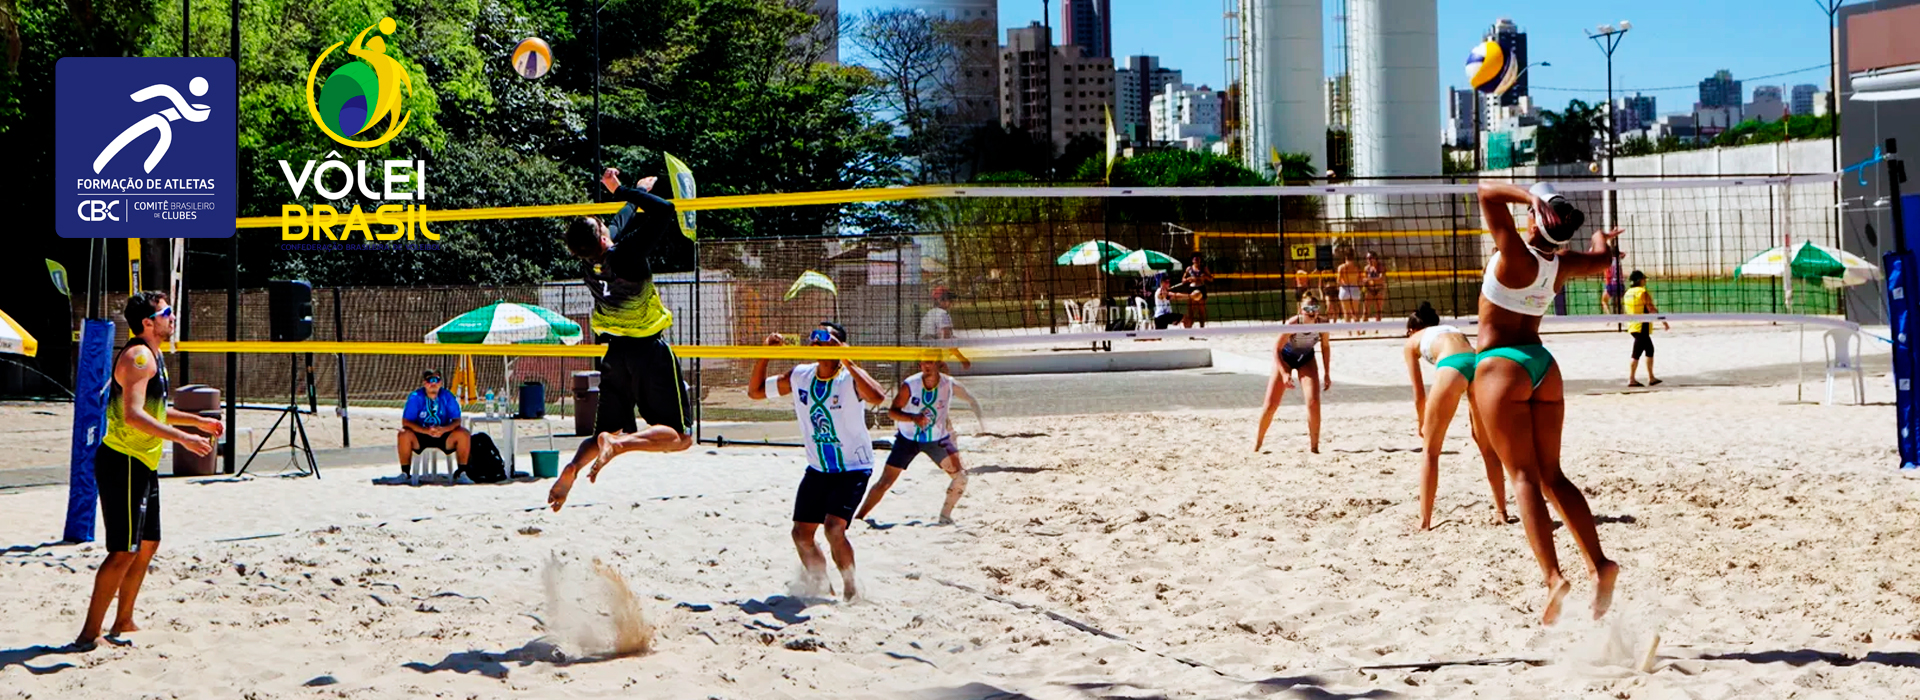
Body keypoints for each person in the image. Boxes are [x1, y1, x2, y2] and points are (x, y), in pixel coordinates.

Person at [1473, 181, 1623, 624]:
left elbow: (1485, 192)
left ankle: (1554, 577)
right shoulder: (1562, 265)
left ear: (1535, 221)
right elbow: (1603, 260)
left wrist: (1529, 195)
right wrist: (1601, 240)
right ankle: (1600, 564)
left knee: (1522, 476)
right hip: (1543, 365)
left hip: (1501, 366)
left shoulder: (1514, 254)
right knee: (1552, 475)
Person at [77, 292, 223, 650]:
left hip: (142, 462)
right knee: (123, 549)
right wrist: (183, 439)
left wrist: (196, 421)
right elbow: (133, 415)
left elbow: (155, 410)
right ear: (148, 322)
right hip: (123, 461)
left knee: (147, 544)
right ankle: (89, 633)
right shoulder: (139, 356)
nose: (173, 318)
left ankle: (123, 619)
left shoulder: (155, 355)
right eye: (167, 313)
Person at [549, 167, 695, 512]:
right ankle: (620, 444)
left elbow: (616, 224)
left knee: (604, 428)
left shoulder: (590, 262)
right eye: (601, 226)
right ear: (601, 239)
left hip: (615, 356)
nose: (606, 226)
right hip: (648, 352)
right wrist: (624, 190)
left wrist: (630, 194)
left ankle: (572, 469)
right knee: (681, 437)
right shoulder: (626, 255)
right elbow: (665, 211)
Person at [747, 322, 888, 600]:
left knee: (834, 528)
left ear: (838, 345)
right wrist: (764, 354)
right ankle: (825, 589)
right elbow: (756, 391)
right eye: (813, 335)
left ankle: (851, 588)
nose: (815, 340)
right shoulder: (801, 375)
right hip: (818, 469)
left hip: (852, 467)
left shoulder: (849, 377)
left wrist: (846, 357)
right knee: (801, 535)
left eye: (824, 336)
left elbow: (878, 397)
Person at [1402, 302, 1508, 530]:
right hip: (1479, 364)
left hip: (1452, 366)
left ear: (1411, 330)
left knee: (1431, 450)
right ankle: (1501, 511)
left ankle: (1425, 521)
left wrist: (1422, 422)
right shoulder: (1451, 329)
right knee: (1487, 447)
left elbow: (1418, 393)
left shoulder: (1411, 341)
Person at [855, 359, 985, 525]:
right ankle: (859, 518)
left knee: (961, 477)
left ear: (939, 365)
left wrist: (981, 421)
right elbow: (892, 412)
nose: (926, 367)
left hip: (937, 440)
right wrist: (913, 418)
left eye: (930, 363)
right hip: (908, 439)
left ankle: (945, 516)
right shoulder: (911, 384)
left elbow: (971, 399)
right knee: (885, 482)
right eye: (923, 364)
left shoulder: (950, 384)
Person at [1254, 294, 1333, 453]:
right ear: (1300, 310)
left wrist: (1327, 373)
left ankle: (1314, 448)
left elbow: (1325, 347)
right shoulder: (1293, 323)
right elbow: (1276, 349)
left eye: (1314, 308)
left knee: (1313, 402)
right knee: (1271, 405)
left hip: (1306, 358)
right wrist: (1284, 373)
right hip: (1285, 358)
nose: (1311, 312)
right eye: (1307, 309)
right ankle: (1258, 443)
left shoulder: (1322, 324)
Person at [396, 369, 471, 478]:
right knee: (403, 434)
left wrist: (444, 429)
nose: (433, 383)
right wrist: (426, 431)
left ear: (441, 383)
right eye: (429, 380)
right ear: (424, 383)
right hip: (421, 434)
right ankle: (405, 473)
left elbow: (457, 420)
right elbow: (406, 422)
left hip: (443, 435)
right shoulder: (416, 397)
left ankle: (462, 472)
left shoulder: (447, 396)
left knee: (464, 434)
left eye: (436, 380)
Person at [1623, 270, 1670, 387]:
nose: (1645, 281)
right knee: (1636, 353)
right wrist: (1664, 321)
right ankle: (1632, 379)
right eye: (1644, 279)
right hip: (1641, 326)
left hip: (1632, 325)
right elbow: (1651, 308)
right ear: (1640, 280)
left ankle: (1651, 377)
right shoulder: (1642, 292)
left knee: (1649, 349)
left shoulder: (1628, 293)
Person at [920, 286, 970, 369]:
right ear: (940, 301)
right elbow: (946, 340)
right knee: (943, 375)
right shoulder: (943, 314)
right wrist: (962, 359)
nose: (951, 302)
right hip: (935, 356)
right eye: (949, 299)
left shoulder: (929, 313)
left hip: (923, 355)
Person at [1181, 253, 1214, 329]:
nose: (1197, 260)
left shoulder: (1204, 268)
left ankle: (1201, 329)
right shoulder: (1189, 269)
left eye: (1198, 258)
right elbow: (1183, 280)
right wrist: (1188, 279)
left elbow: (1211, 279)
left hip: (1201, 289)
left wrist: (1205, 277)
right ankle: (1190, 330)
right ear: (1192, 260)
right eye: (1195, 259)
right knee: (1191, 312)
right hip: (1191, 289)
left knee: (1201, 311)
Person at [1334, 249, 1363, 327]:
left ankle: (1349, 332)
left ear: (1345, 257)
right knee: (1355, 312)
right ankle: (1357, 331)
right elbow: (1360, 281)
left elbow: (1338, 280)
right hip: (1354, 288)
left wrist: (1345, 285)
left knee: (1346, 313)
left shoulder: (1341, 267)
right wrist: (1359, 288)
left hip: (1345, 289)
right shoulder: (1357, 267)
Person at [1362, 251, 1388, 332]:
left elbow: (1381, 279)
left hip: (1379, 289)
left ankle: (1377, 328)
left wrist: (1370, 279)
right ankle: (1364, 328)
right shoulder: (1367, 268)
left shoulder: (1381, 266)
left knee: (1378, 310)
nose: (1368, 260)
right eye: (1367, 258)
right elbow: (1365, 279)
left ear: (1375, 258)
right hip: (1370, 290)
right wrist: (1364, 282)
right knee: (1365, 310)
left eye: (1370, 258)